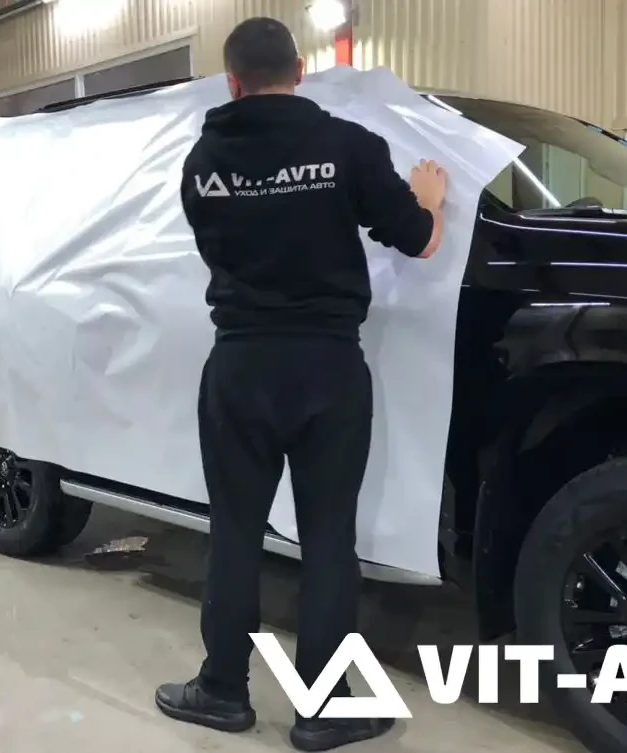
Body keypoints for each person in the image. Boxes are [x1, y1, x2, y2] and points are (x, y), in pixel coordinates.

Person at [153, 16, 448, 752]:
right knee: (327, 540)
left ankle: (222, 690)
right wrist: (430, 199)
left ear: (232, 82)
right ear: (300, 71)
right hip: (327, 368)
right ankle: (324, 707)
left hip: (240, 366)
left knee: (235, 533)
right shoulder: (347, 146)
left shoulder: (201, 162)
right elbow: (418, 241)